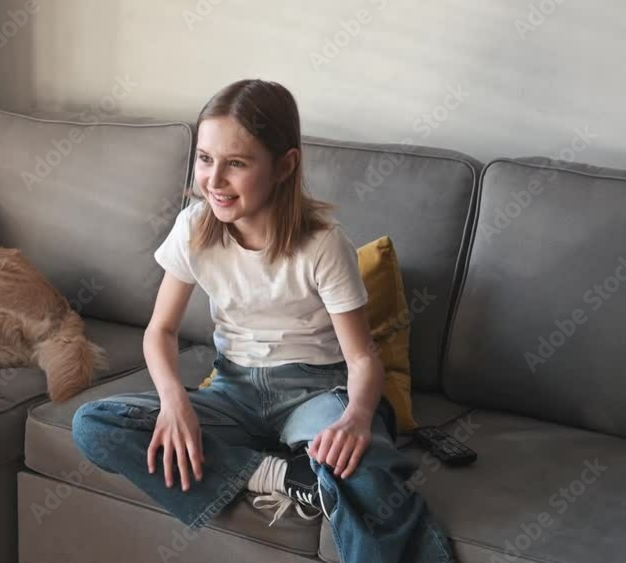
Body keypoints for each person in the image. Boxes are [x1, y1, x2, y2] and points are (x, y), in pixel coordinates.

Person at [72, 79, 454, 562]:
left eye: (237, 163)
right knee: (95, 424)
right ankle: (285, 476)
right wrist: (172, 402)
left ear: (284, 165)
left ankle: (320, 473)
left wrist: (356, 418)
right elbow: (160, 331)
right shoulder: (193, 227)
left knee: (364, 472)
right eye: (206, 158)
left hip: (316, 391)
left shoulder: (323, 245)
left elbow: (362, 358)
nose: (214, 179)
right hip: (233, 390)